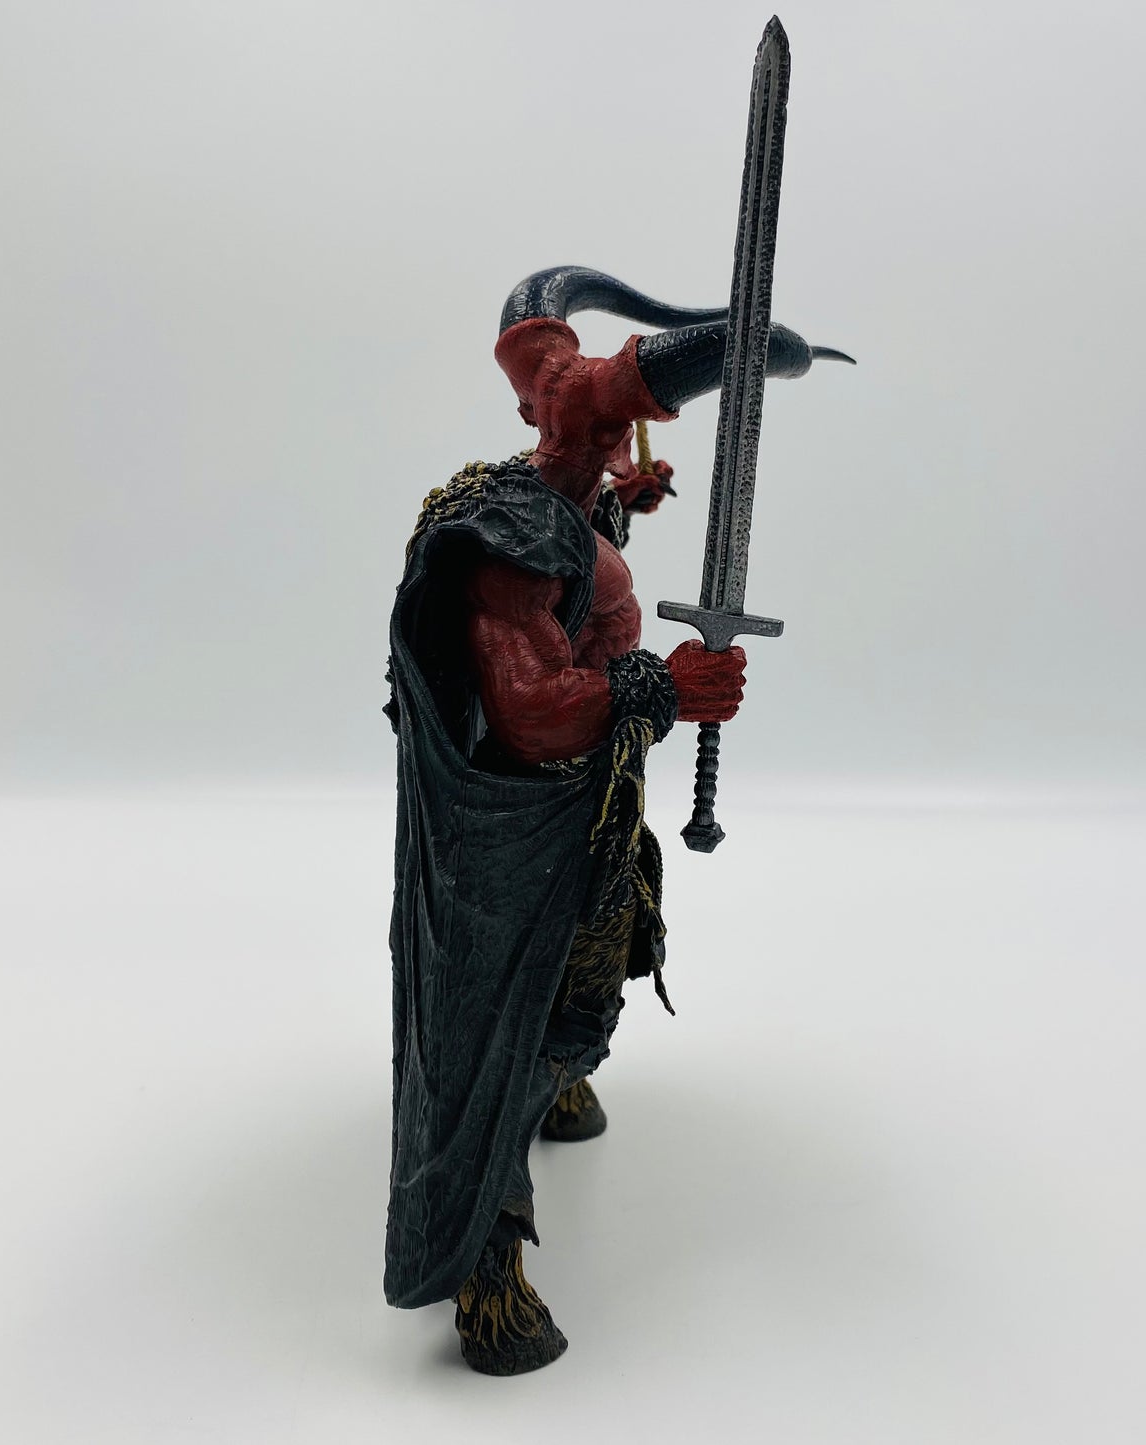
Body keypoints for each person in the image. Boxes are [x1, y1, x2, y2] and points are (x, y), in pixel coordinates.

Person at [383, 268, 845, 1374]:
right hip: (526, 820)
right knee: (524, 1017)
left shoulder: (559, 500)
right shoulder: (506, 538)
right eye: (591, 418)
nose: (596, 435)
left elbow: (580, 547)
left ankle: (562, 1081)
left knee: (599, 963)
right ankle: (489, 1277)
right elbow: (531, 708)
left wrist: (623, 502)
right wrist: (661, 687)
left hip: (591, 799)